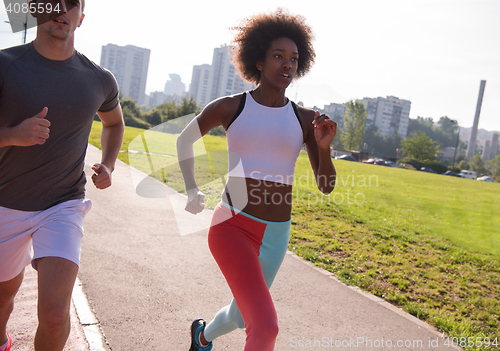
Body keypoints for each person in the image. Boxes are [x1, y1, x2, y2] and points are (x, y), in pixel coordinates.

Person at [177, 8, 337, 351]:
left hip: (276, 235)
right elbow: (183, 139)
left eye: (293, 59)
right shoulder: (230, 107)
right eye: (278, 56)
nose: (287, 65)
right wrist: (192, 189)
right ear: (259, 62)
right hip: (232, 226)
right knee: (264, 328)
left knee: (241, 315)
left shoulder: (306, 119)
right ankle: (203, 337)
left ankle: (202, 337)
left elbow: (326, 185)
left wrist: (323, 149)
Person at [0, 0, 124, 350]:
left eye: (72, 4)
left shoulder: (99, 79)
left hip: (62, 205)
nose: (61, 9)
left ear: (80, 18)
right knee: (2, 299)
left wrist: (110, 164)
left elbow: (114, 123)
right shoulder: (6, 65)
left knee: (55, 315)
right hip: (5, 203)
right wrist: (12, 135)